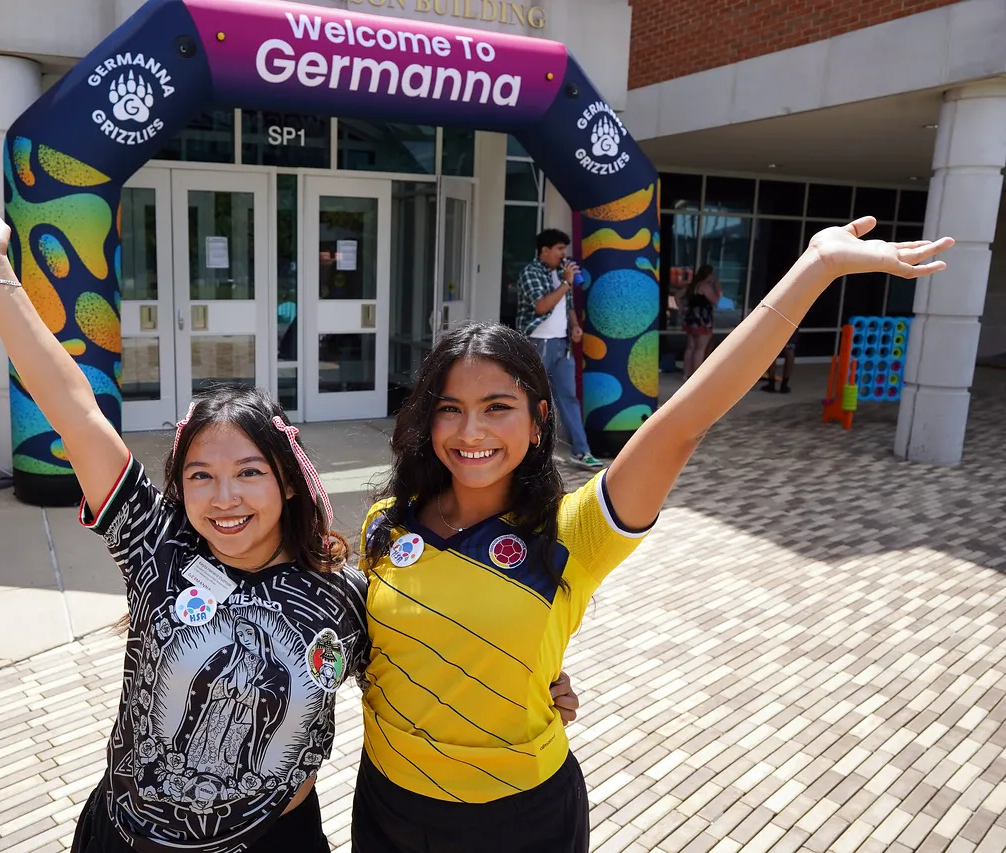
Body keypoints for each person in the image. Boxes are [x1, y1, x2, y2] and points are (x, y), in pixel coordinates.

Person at [0, 194, 583, 852]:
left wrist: (533, 681)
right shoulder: (158, 546)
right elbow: (73, 406)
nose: (224, 497)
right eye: (201, 475)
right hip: (132, 837)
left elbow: (434, 650)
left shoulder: (344, 596)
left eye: (249, 472)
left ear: (289, 483)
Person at [353, 217, 953, 853]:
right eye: (451, 409)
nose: (471, 431)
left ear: (537, 421)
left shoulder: (573, 531)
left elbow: (682, 422)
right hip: (387, 799)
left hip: (518, 816)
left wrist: (815, 269)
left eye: (498, 407)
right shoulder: (386, 521)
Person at [514, 228, 602, 469]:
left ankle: (581, 451)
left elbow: (569, 307)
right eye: (560, 249)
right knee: (531, 398)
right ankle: (525, 451)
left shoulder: (561, 276)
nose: (564, 254)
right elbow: (541, 306)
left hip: (562, 345)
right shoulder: (531, 272)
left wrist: (575, 327)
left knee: (568, 398)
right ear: (545, 250)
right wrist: (565, 282)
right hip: (537, 343)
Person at [680, 264, 720, 379]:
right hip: (702, 318)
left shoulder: (692, 286)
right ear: (709, 275)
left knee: (690, 347)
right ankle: (695, 375)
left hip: (691, 317)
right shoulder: (705, 286)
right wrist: (717, 289)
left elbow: (677, 296)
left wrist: (682, 309)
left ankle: (686, 373)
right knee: (700, 348)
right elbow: (715, 300)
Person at [761, 328, 798, 393]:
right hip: (791, 323)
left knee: (772, 351)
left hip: (777, 323)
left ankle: (771, 383)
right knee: (789, 350)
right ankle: (784, 385)